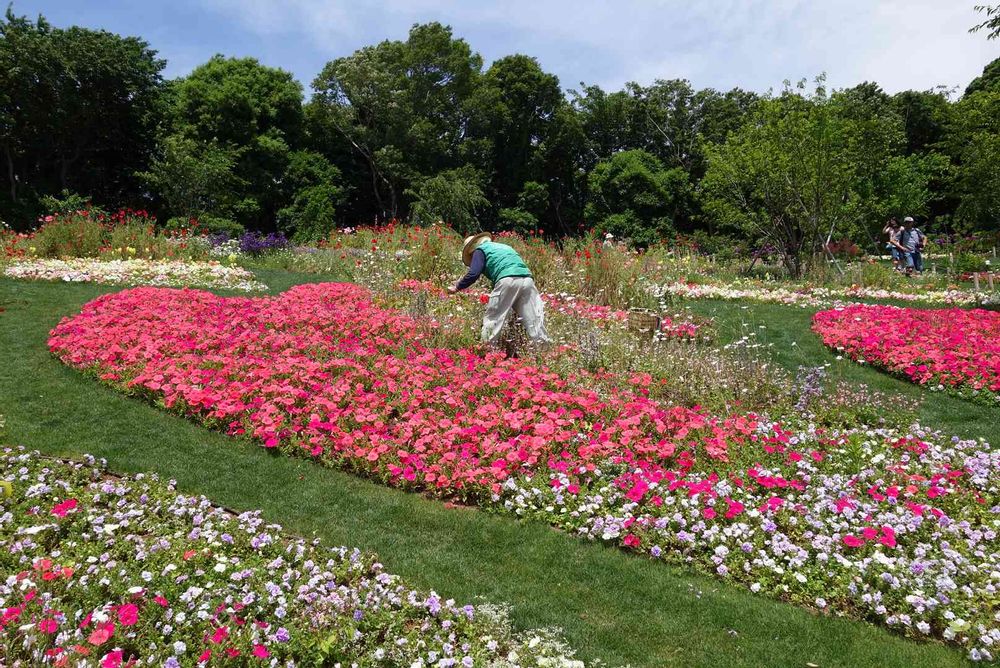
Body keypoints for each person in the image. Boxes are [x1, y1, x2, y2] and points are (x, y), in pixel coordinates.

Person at [448, 233, 552, 345]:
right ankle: (545, 352)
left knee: (494, 319)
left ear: (472, 250)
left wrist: (457, 286)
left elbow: (474, 273)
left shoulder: (479, 251)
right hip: (527, 279)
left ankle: (487, 353)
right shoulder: (504, 247)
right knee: (533, 320)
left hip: (507, 280)